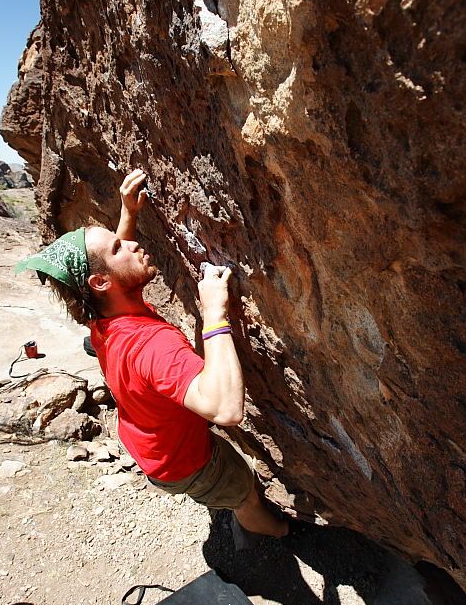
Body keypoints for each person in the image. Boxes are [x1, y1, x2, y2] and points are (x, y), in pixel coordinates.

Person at [16, 169, 288, 539]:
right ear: (100, 281)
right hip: (185, 464)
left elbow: (110, 271)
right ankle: (278, 534)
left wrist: (128, 216)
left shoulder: (104, 322)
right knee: (245, 496)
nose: (130, 244)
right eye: (118, 247)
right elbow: (226, 409)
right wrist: (214, 312)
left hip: (152, 447)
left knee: (219, 485)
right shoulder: (150, 345)